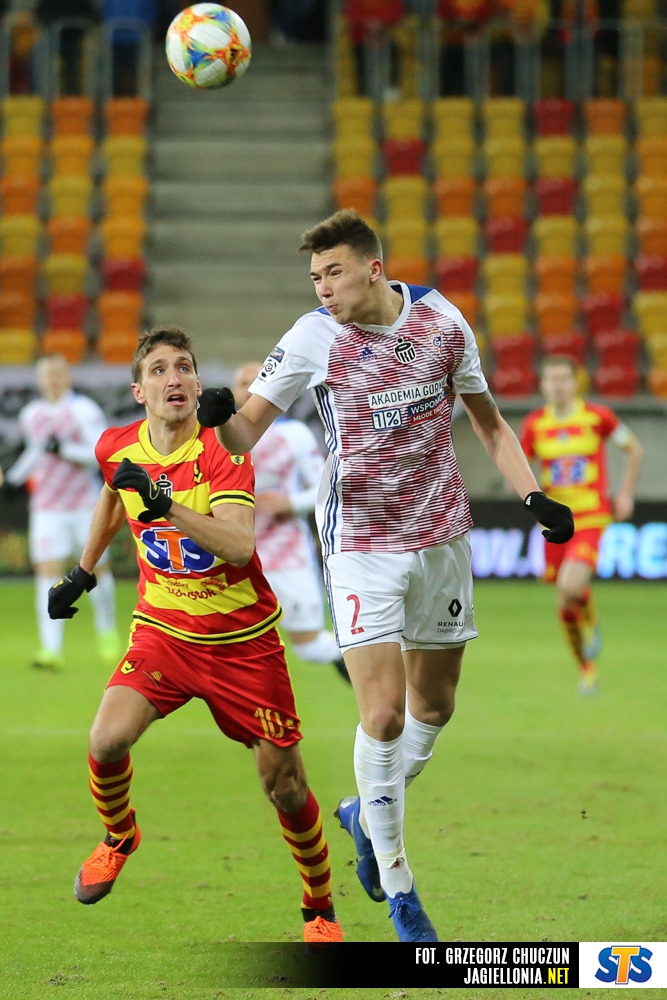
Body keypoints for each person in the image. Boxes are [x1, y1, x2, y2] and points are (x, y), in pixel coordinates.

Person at [194, 210, 574, 942]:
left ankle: (363, 813)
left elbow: (488, 422)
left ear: (373, 269)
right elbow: (245, 432)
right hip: (361, 544)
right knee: (384, 716)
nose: (321, 288)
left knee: (435, 707)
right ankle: (401, 891)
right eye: (314, 277)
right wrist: (221, 417)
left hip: (441, 538)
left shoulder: (442, 322)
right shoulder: (312, 336)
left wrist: (532, 496)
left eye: (332, 273)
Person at [47, 327, 343, 944]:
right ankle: (119, 836)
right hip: (165, 632)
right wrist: (83, 571)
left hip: (242, 642)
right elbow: (114, 491)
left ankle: (318, 907)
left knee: (286, 788)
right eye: (158, 369)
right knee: (105, 740)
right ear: (139, 391)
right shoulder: (116, 445)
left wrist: (167, 507)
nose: (173, 377)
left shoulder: (223, 451)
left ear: (198, 383)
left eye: (183, 366)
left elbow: (238, 545)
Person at [521, 355, 643, 695]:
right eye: (551, 379)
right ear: (542, 385)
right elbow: (520, 466)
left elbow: (634, 449)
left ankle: (590, 618)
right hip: (555, 519)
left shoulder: (598, 416)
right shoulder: (534, 424)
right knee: (565, 602)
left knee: (568, 585)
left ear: (576, 383)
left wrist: (625, 493)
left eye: (564, 378)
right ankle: (586, 669)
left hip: (590, 516)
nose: (558, 385)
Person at [232, 362, 349, 682]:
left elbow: (325, 487)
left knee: (309, 646)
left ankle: (378, 675)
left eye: (259, 381)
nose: (251, 390)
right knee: (230, 646)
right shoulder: (219, 437)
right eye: (244, 383)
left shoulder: (294, 434)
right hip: (235, 558)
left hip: (287, 555)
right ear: (234, 392)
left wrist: (291, 503)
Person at [3, 354, 119, 671]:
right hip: (47, 506)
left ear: (68, 377)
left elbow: (99, 453)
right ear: (39, 380)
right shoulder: (32, 414)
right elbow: (36, 451)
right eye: (47, 374)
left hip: (85, 504)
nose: (52, 380)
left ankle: (107, 630)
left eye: (58, 374)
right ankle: (51, 648)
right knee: (48, 570)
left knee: (96, 568)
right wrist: (14, 478)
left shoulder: (84, 410)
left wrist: (64, 450)